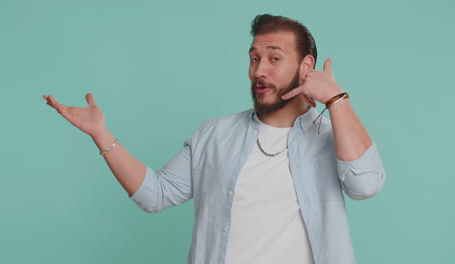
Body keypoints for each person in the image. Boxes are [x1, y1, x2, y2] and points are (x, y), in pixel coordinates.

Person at [43, 14, 385, 264]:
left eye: (274, 58)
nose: (259, 70)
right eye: (254, 58)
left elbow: (365, 185)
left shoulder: (332, 137)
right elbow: (155, 194)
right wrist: (101, 133)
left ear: (306, 66)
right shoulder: (214, 134)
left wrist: (337, 100)